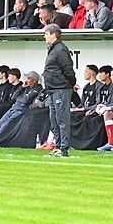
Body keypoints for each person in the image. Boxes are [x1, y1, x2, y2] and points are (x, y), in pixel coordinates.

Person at [41, 24, 75, 157]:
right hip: (52, 89)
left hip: (61, 88)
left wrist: (71, 83)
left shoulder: (60, 50)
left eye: (46, 34)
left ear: (53, 34)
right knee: (54, 119)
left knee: (62, 119)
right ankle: (58, 145)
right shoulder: (53, 49)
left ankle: (64, 148)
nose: (44, 36)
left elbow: (68, 69)